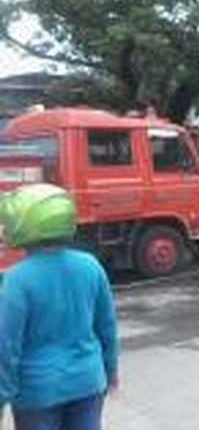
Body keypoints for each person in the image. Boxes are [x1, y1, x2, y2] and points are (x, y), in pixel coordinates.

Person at [0, 184, 119, 430]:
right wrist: (111, 370)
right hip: (88, 382)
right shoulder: (90, 266)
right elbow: (106, 326)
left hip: (37, 393)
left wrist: (2, 395)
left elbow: (6, 345)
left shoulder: (16, 280)